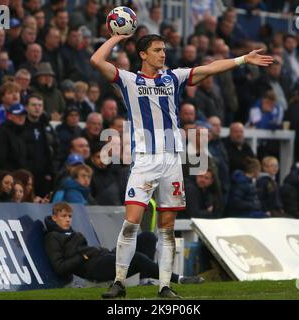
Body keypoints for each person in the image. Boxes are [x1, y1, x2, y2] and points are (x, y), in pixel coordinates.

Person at [90, 33, 272, 298]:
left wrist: (243, 59)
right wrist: (118, 36)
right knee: (131, 224)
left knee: (166, 227)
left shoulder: (173, 78)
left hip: (172, 160)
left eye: (164, 50)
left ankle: (164, 286)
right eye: (157, 50)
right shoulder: (129, 79)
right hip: (145, 159)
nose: (163, 54)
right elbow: (97, 59)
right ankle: (118, 282)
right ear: (143, 54)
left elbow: (210, 69)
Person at [44, 202, 204, 289]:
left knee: (147, 237)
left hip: (103, 257)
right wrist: (83, 256)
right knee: (135, 257)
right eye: (64, 216)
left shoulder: (72, 234)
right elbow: (60, 267)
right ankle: (179, 279)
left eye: (70, 216)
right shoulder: (53, 237)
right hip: (95, 268)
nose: (68, 219)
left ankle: (145, 280)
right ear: (54, 218)